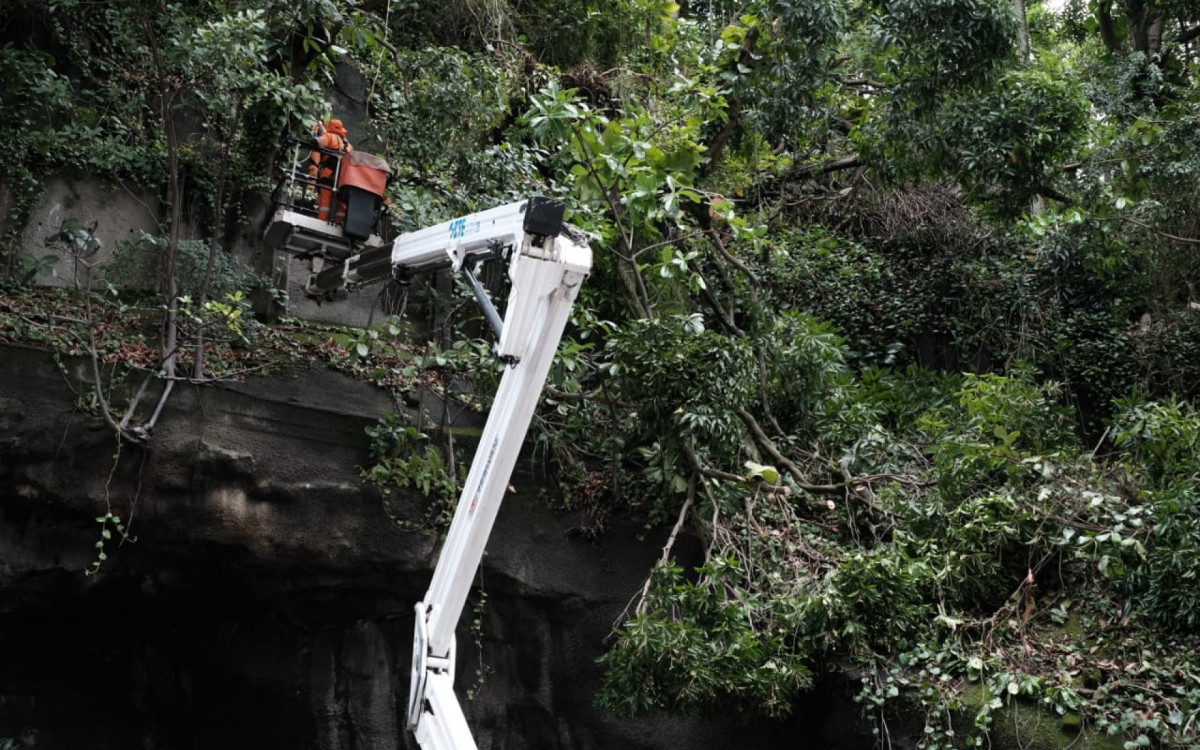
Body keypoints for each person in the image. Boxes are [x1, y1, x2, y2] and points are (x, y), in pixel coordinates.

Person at [308, 118, 353, 222]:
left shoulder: (329, 137)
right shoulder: (348, 145)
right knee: (341, 203)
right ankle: (339, 223)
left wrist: (312, 138)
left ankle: (321, 222)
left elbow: (317, 142)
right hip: (343, 178)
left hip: (328, 174)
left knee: (325, 201)